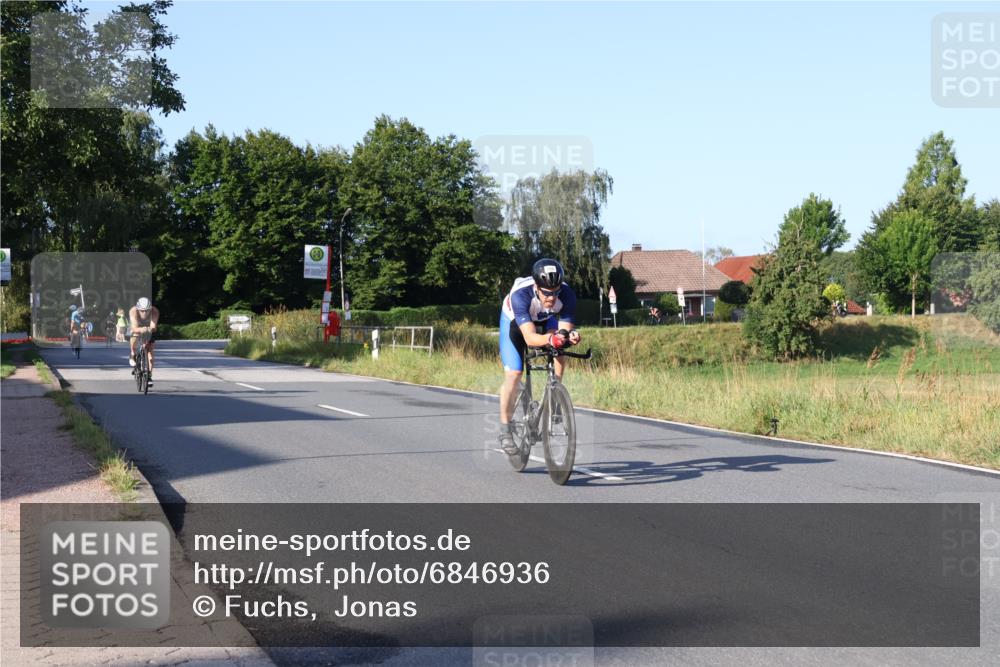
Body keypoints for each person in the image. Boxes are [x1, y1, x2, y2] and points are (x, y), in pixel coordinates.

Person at [497, 259, 581, 455]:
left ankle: (555, 396)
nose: (552, 297)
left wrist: (569, 337)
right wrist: (551, 338)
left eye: (555, 292)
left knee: (560, 346)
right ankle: (505, 429)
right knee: (515, 374)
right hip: (515, 324)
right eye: (546, 293)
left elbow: (564, 332)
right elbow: (530, 338)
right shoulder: (521, 295)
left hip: (544, 318)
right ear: (536, 287)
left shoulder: (567, 295)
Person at [129, 297, 160, 378]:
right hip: (137, 326)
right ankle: (132, 354)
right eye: (142, 311)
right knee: (134, 334)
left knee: (150, 351)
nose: (145, 313)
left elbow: (153, 327)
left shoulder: (154, 311)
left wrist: (149, 329)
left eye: (147, 310)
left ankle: (149, 375)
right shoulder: (133, 311)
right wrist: (141, 329)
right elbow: (134, 328)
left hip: (148, 327)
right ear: (138, 309)